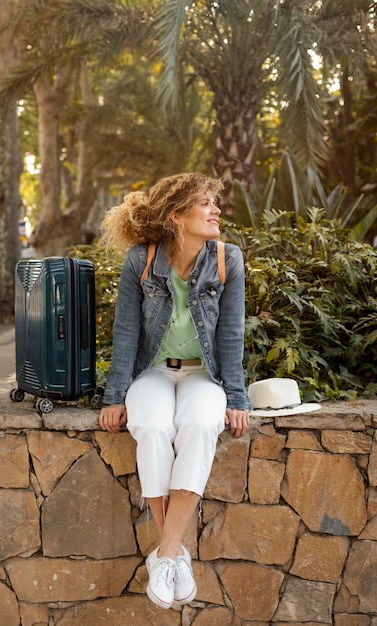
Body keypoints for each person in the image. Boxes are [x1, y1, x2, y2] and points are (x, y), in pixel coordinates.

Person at [98, 172, 251, 610]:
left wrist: (237, 399)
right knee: (150, 424)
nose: (216, 210)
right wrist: (114, 397)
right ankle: (175, 553)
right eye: (205, 203)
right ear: (176, 215)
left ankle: (166, 553)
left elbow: (231, 335)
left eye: (213, 203)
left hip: (205, 374)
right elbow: (126, 331)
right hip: (154, 371)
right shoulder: (141, 260)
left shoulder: (227, 259)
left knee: (202, 424)